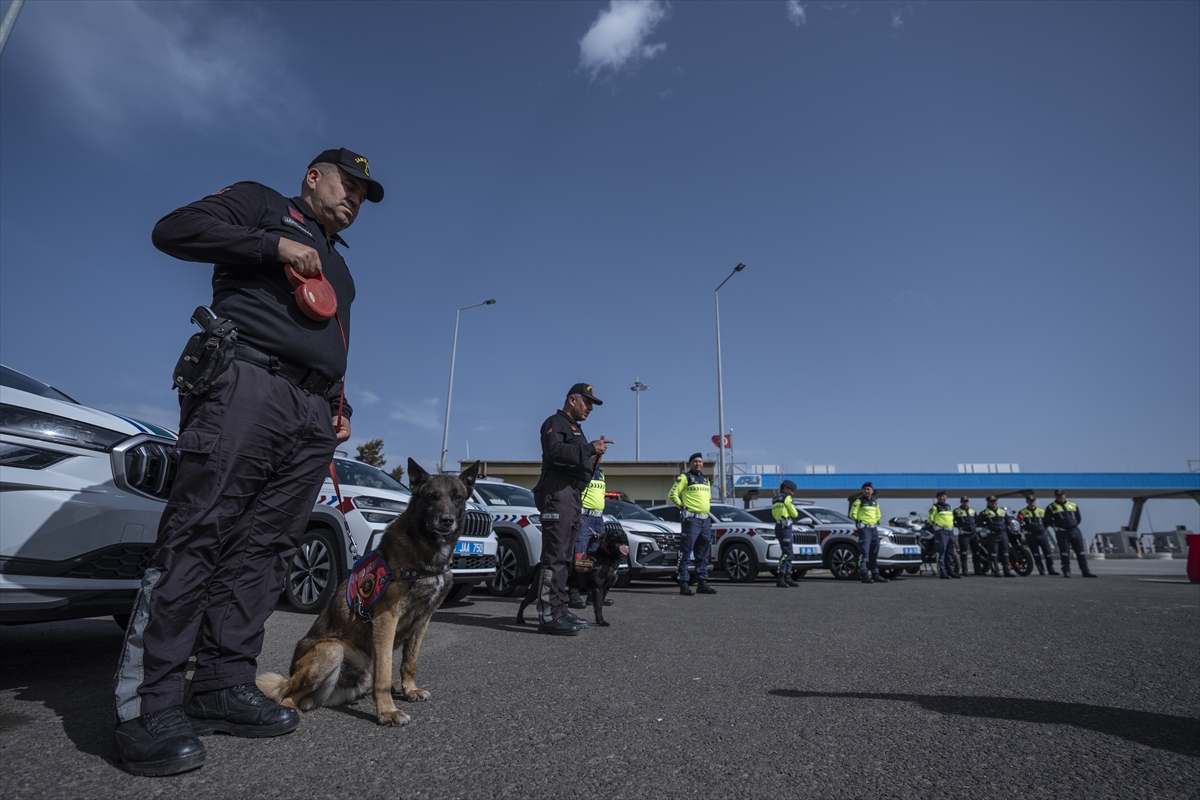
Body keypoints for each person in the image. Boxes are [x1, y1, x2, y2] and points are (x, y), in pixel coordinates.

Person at [112, 149, 384, 777]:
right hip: (246, 384)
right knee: (198, 535)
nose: (355, 201)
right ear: (314, 176)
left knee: (267, 550)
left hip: (311, 412)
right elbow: (172, 230)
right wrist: (274, 247)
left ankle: (221, 685)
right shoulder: (264, 205)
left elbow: (331, 339)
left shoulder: (341, 264)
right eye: (350, 185)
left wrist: (337, 405)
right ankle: (147, 705)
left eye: (366, 197)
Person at [533, 384, 611, 635]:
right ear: (572, 399)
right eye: (587, 402)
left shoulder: (575, 428)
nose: (589, 408)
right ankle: (548, 615)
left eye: (591, 404)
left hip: (572, 494)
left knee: (566, 558)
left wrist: (592, 458)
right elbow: (554, 451)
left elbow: (575, 458)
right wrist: (589, 449)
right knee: (554, 557)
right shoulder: (556, 422)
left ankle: (560, 610)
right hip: (558, 492)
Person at [668, 453, 718, 595]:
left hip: (705, 520)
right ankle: (683, 583)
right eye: (695, 461)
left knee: (703, 553)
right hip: (692, 521)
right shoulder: (685, 478)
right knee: (686, 552)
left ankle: (702, 583)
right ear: (690, 463)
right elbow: (672, 494)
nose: (698, 464)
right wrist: (683, 507)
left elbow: (707, 500)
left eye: (700, 462)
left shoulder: (705, 480)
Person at [570, 462, 612, 608]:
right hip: (584, 517)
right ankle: (573, 593)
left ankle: (592, 595)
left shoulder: (600, 473)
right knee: (579, 556)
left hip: (598, 519)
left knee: (595, 558)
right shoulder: (581, 470)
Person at [1046, 490, 1097, 578]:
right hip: (1062, 532)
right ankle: (1066, 571)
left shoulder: (1072, 504)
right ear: (1055, 496)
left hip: (1075, 531)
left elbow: (1078, 518)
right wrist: (1057, 527)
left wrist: (1073, 525)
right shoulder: (1051, 507)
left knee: (1080, 552)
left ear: (1064, 495)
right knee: (1065, 552)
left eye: (1061, 495)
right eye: (1057, 495)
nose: (1060, 497)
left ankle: (1085, 570)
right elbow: (1047, 520)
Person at [849, 482, 887, 584]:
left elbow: (878, 515)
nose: (867, 491)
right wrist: (859, 521)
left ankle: (875, 574)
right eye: (865, 489)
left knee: (874, 552)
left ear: (872, 491)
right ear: (862, 491)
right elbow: (852, 514)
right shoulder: (859, 501)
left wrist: (875, 521)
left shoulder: (875, 502)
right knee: (864, 552)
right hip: (864, 529)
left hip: (873, 529)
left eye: (869, 489)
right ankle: (864, 574)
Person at [1018, 495, 1059, 576]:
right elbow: (1020, 523)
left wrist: (1042, 529)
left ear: (1035, 501)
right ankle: (1041, 569)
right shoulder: (1022, 512)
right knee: (1036, 554)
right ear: (1027, 502)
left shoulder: (1042, 511)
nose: (1032, 502)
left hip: (1042, 534)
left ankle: (1051, 569)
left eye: (1033, 501)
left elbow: (1046, 522)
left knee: (1048, 553)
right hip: (1031, 536)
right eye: (1030, 501)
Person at [977, 496, 1015, 578]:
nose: (993, 503)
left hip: (1003, 534)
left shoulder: (1002, 512)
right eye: (991, 501)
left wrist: (1009, 528)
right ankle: (996, 571)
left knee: (1005, 554)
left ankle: (1007, 571)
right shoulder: (984, 512)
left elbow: (1008, 521)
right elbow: (979, 523)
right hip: (993, 535)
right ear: (988, 502)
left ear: (997, 502)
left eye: (995, 501)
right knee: (993, 554)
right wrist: (988, 526)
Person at [771, 480, 800, 588]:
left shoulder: (775, 498)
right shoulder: (787, 498)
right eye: (791, 490)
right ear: (785, 488)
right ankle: (781, 577)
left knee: (788, 553)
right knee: (787, 553)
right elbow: (794, 513)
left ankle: (788, 577)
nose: (792, 493)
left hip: (779, 526)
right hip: (785, 527)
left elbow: (773, 514)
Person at [927, 491, 959, 579]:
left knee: (950, 552)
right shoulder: (935, 507)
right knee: (941, 552)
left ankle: (950, 571)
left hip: (950, 531)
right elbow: (930, 518)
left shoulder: (949, 507)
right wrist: (936, 526)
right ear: (937, 498)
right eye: (940, 496)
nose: (942, 498)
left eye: (944, 496)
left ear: (946, 497)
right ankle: (942, 572)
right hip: (941, 532)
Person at [954, 496, 983, 576]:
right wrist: (959, 527)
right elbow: (953, 521)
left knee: (976, 552)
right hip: (964, 535)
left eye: (966, 501)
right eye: (964, 501)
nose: (965, 503)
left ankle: (978, 570)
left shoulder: (972, 511)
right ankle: (965, 571)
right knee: (964, 553)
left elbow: (977, 521)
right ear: (961, 502)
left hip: (973, 534)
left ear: (968, 502)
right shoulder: (957, 511)